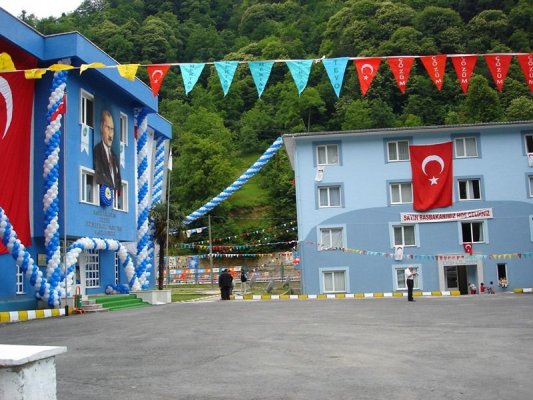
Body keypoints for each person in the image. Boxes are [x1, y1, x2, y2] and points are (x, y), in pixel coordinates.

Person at [93, 110, 121, 190]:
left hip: (114, 199)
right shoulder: (97, 151)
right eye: (108, 128)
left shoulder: (115, 157)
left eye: (112, 129)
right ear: (101, 127)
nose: (110, 134)